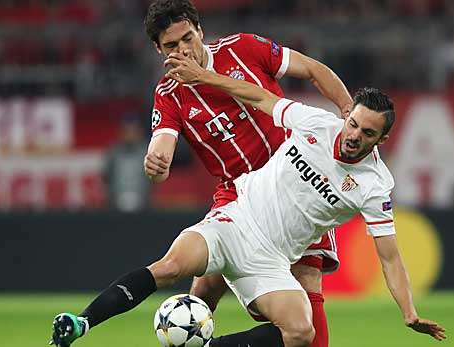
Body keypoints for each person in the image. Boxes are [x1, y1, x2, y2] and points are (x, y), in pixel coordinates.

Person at [49, 54, 446, 347]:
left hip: (271, 258)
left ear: (381, 139)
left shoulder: (375, 184)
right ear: (347, 118)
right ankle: (80, 323)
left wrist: (408, 311)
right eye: (353, 123)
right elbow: (256, 96)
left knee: (300, 331)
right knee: (170, 267)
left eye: (367, 132)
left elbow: (390, 256)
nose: (354, 134)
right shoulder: (316, 123)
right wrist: (205, 77)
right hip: (233, 222)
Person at [144, 1, 352, 345]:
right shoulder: (169, 95)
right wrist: (157, 160)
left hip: (293, 184)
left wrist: (346, 110)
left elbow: (313, 69)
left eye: (187, 38)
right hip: (237, 197)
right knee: (206, 283)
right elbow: (161, 141)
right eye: (171, 46)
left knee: (306, 278)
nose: (183, 50)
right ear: (158, 49)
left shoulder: (244, 49)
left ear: (200, 29)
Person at [103, 116, 151, 212]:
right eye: (127, 131)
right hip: (115, 205)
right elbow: (106, 177)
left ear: (139, 133)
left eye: (133, 131)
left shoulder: (148, 152)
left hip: (143, 206)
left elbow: (153, 180)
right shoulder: (114, 153)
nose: (130, 135)